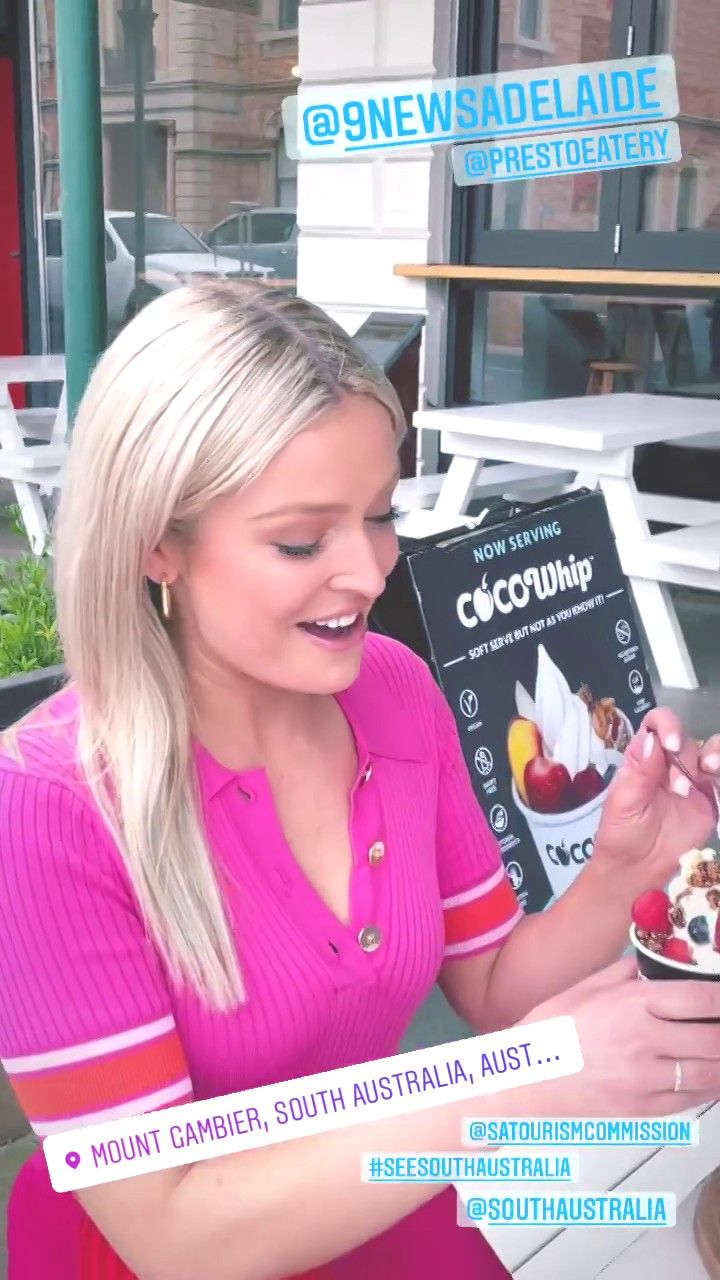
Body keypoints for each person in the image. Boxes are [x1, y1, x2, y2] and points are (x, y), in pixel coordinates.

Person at [0, 280, 719, 1280]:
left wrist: (625, 866)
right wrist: (520, 1083)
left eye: (380, 514)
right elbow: (169, 1233)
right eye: (302, 540)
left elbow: (494, 988)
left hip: (384, 1183)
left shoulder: (395, 689)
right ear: (156, 540)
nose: (372, 572)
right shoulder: (48, 807)